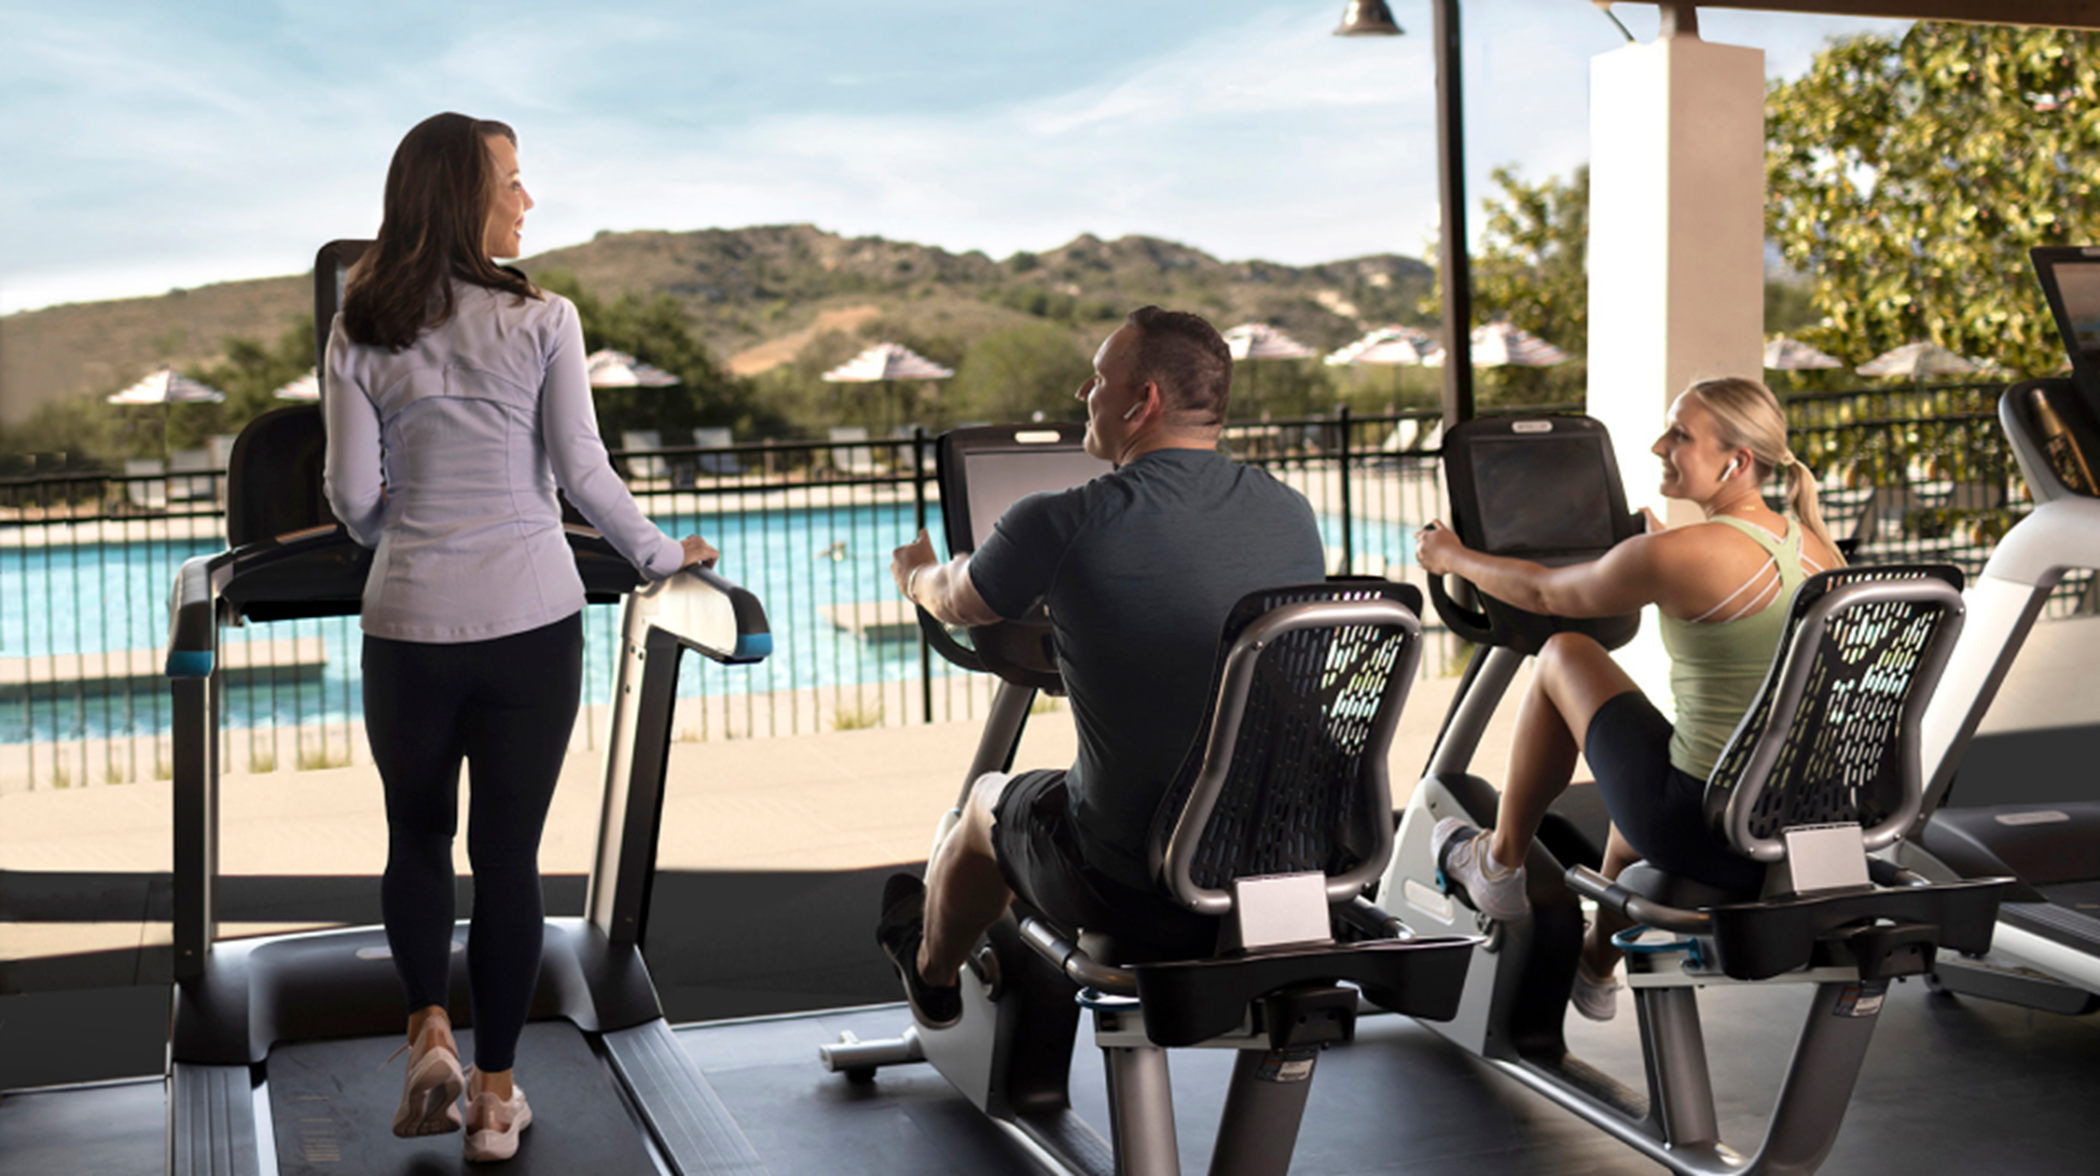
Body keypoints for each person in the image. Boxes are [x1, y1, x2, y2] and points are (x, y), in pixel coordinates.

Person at [323, 112, 716, 1163]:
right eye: (511, 180)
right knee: (508, 860)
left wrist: (397, 532)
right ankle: (495, 1105)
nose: (527, 200)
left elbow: (352, 493)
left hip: (407, 619)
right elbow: (582, 471)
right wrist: (658, 556)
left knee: (416, 837)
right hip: (530, 619)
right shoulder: (544, 317)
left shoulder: (360, 324)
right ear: (462, 196)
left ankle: (427, 1038)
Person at [877, 307, 1327, 1028]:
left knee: (988, 802)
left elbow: (958, 602)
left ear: (1141, 400)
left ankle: (929, 972)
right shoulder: (1291, 512)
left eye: (1097, 378)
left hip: (1136, 881)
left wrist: (915, 572)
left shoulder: (1059, 519)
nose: (1085, 393)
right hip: (1287, 858)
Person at [1416, 376, 1842, 1023]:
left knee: (1565, 652)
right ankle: (1595, 963)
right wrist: (1661, 545)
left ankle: (1496, 863)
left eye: (1680, 435)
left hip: (1702, 829)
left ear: (1737, 460)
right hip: (1802, 817)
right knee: (1652, 753)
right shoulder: (1817, 547)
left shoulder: (1678, 555)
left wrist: (1454, 556)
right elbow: (1730, 578)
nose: (1656, 445)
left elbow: (1542, 593)